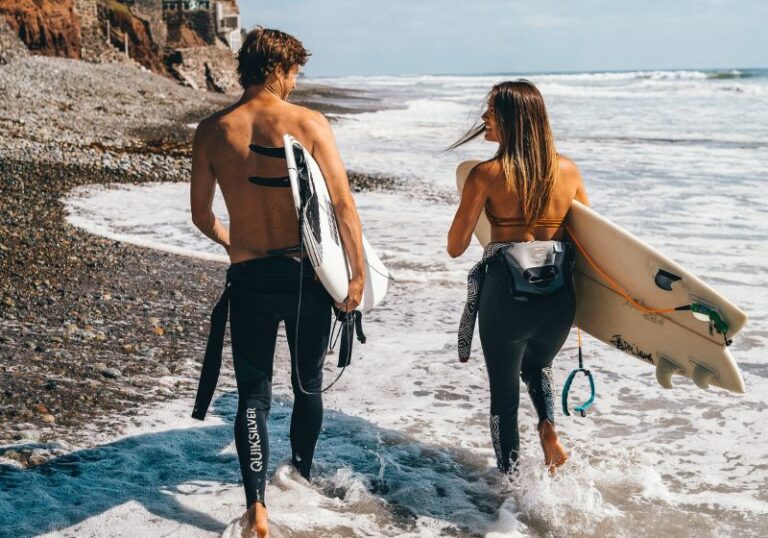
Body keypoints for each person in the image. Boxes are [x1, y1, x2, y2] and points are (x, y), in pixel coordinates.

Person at [189, 27, 365, 538]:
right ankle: (301, 481)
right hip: (306, 278)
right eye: (293, 73)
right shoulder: (307, 123)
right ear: (277, 69)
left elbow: (201, 216)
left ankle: (257, 509)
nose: (294, 83)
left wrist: (233, 244)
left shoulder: (212, 130)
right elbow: (342, 206)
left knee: (252, 396)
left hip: (248, 278)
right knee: (307, 385)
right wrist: (354, 276)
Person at [447, 80, 589, 475]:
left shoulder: (486, 174)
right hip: (559, 301)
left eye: (491, 110)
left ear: (512, 118)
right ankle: (547, 429)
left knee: (503, 399)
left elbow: (456, 246)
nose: (483, 117)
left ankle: (508, 485)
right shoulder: (569, 171)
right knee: (537, 366)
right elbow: (590, 239)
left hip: (506, 300)